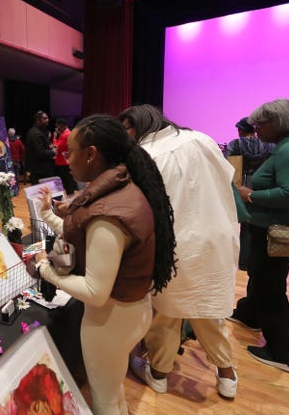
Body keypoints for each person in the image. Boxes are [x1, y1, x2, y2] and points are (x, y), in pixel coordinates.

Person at [27, 114, 177, 414]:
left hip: (110, 321)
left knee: (103, 399)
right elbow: (88, 239)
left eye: (70, 151)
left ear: (91, 154)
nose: (64, 158)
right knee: (112, 390)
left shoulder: (109, 212)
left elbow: (95, 291)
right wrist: (47, 216)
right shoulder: (121, 190)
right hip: (130, 313)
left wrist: (44, 268)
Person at [119, 105, 239, 399]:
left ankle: (159, 374)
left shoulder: (146, 154)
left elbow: (141, 203)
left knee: (166, 310)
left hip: (175, 241)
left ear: (140, 124)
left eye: (126, 130)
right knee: (207, 310)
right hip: (215, 235)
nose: (125, 138)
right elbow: (229, 177)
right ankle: (226, 374)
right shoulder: (202, 139)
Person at [229, 99, 289, 375]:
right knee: (259, 275)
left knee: (271, 287)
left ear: (278, 122)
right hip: (268, 226)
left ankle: (285, 353)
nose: (256, 130)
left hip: (276, 229)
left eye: (260, 124)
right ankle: (250, 314)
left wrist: (251, 194)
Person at [224, 117, 275, 271]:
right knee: (262, 223)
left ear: (240, 130)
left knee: (245, 225)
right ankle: (259, 260)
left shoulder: (236, 144)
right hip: (264, 187)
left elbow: (229, 167)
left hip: (243, 186)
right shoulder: (270, 145)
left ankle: (244, 262)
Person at [25, 110, 56, 184]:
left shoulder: (38, 132)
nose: (47, 120)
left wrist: (50, 147)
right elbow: (40, 152)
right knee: (42, 194)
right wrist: (53, 151)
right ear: (38, 120)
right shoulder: (36, 133)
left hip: (41, 170)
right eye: (44, 118)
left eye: (47, 118)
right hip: (40, 172)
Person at [53, 119, 79, 195]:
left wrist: (54, 138)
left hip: (63, 162)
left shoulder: (65, 134)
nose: (57, 129)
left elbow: (57, 147)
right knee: (68, 182)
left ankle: (70, 199)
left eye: (57, 127)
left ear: (61, 125)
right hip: (64, 161)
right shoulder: (66, 133)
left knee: (67, 183)